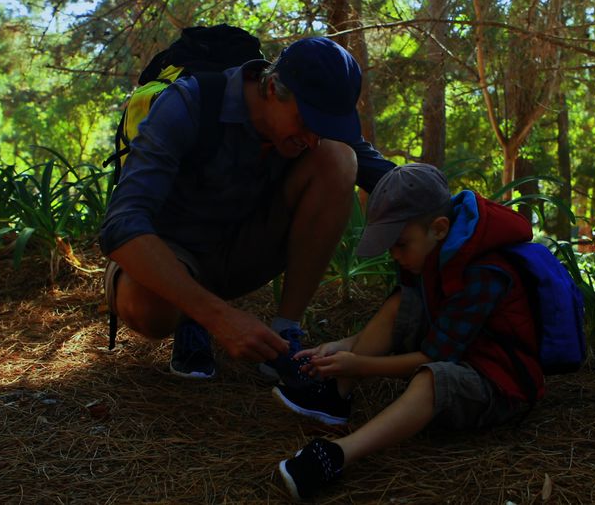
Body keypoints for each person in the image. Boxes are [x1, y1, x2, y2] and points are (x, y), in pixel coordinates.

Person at [99, 37, 394, 380]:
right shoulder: (188, 103)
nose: (313, 138)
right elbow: (121, 225)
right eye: (306, 121)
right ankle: (190, 318)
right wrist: (219, 317)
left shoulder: (316, 127)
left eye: (324, 127)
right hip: (173, 255)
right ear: (272, 87)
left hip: (240, 251)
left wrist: (458, 213)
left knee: (339, 157)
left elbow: (395, 182)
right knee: (147, 308)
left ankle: (285, 334)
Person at [271, 163, 546, 501]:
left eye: (400, 244)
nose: (395, 256)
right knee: (404, 300)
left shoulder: (485, 273)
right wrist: (343, 347)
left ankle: (337, 454)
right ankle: (334, 398)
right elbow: (411, 314)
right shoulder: (430, 252)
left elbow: (434, 357)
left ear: (440, 228)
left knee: (433, 378)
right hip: (460, 352)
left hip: (499, 381)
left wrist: (358, 364)